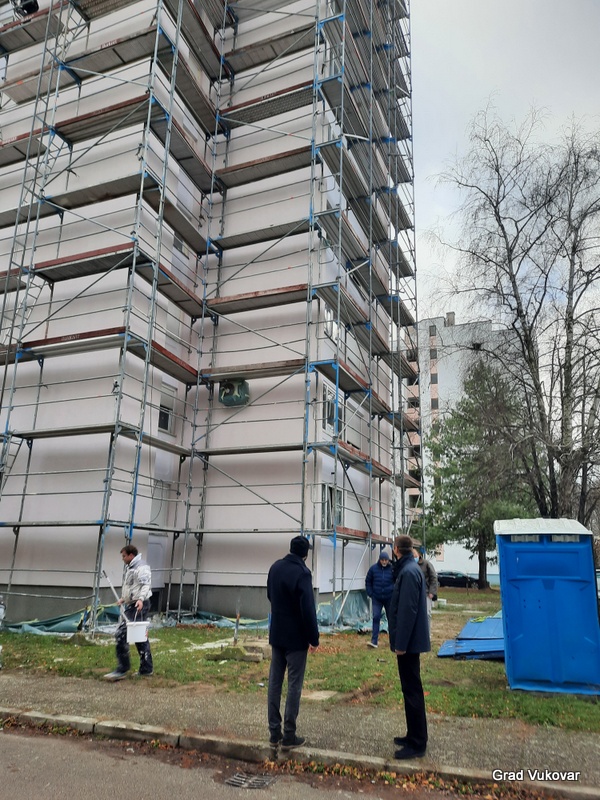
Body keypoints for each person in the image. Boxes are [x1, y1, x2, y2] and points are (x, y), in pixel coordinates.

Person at [267, 535, 319, 752]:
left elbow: (270, 595)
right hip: (296, 638)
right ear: (305, 554)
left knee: (275, 682)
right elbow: (308, 608)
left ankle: (274, 732)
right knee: (294, 685)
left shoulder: (275, 567)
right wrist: (314, 638)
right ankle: (289, 734)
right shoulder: (303, 573)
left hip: (277, 633)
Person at [388, 534, 430, 760]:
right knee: (410, 689)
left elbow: (407, 610)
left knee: (412, 691)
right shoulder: (409, 569)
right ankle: (413, 734)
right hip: (410, 642)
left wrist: (401, 644)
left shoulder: (408, 572)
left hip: (409, 644)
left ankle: (417, 742)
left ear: (396, 549)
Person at [104, 544, 153, 681]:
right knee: (139, 636)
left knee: (121, 633)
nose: (123, 559)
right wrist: (124, 599)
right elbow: (132, 587)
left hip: (139, 605)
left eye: (124, 556)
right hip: (133, 604)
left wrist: (141, 599)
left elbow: (145, 585)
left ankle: (122, 669)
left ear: (131, 555)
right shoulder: (131, 567)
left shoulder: (141, 567)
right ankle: (146, 669)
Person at [365, 547, 394, 648]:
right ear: (379, 560)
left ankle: (393, 641)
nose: (384, 562)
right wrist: (370, 593)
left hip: (389, 598)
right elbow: (368, 581)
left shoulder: (392, 569)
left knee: (391, 619)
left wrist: (394, 592)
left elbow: (397, 580)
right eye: (382, 560)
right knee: (376, 617)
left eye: (386, 560)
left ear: (388, 560)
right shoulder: (373, 569)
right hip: (377, 598)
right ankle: (374, 641)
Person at [412, 541, 439, 632]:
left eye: (415, 556)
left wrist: (432, 592)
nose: (414, 558)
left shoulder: (426, 564)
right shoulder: (411, 565)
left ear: (418, 555)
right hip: (415, 593)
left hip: (427, 593)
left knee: (427, 614)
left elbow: (433, 578)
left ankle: (427, 633)